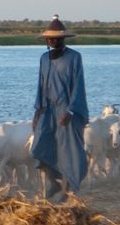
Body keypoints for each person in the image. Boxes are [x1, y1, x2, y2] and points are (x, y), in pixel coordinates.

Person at [30, 14, 88, 201]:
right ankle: (54, 182)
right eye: (49, 38)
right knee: (39, 146)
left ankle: (69, 188)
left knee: (68, 150)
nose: (52, 41)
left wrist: (71, 111)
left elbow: (78, 85)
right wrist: (37, 112)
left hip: (68, 110)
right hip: (46, 110)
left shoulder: (74, 58)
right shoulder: (44, 59)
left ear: (63, 39)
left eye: (56, 38)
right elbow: (40, 85)